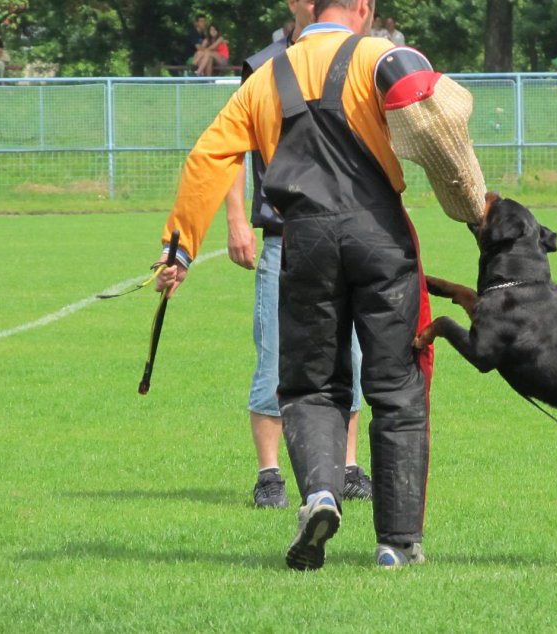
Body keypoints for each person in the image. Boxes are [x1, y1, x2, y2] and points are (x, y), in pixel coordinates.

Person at [153, 0, 486, 569]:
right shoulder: (380, 55)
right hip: (377, 233)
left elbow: (209, 157)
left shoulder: (262, 79)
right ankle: (397, 544)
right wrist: (474, 207)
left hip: (302, 241)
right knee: (396, 387)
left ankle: (321, 496)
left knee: (309, 386)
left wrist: (179, 248)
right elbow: (435, 116)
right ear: (363, 7)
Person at [225, 0, 373, 509]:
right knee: (274, 357)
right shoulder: (264, 63)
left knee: (350, 354)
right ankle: (270, 475)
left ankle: (349, 466)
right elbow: (230, 149)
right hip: (283, 234)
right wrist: (237, 218)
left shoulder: (355, 58)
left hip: (345, 233)